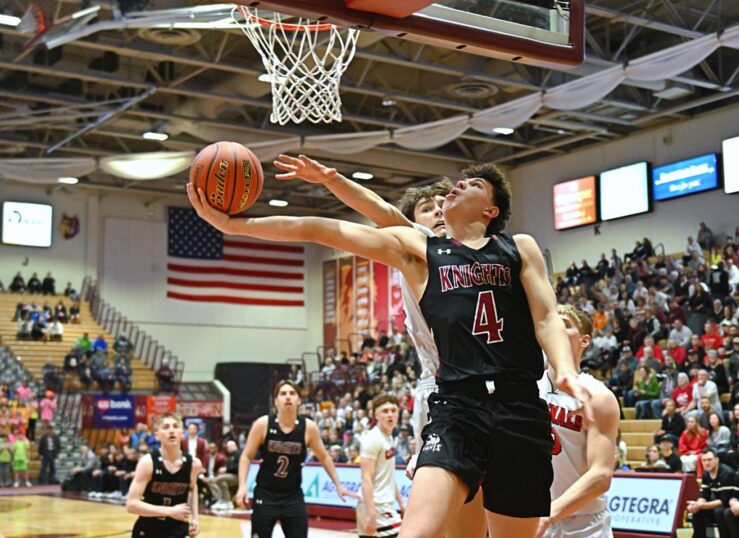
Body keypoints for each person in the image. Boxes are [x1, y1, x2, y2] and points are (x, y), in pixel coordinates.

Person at [191, 161, 592, 538]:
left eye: (473, 184)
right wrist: (235, 226)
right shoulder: (421, 249)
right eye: (442, 195)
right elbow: (319, 228)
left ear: (491, 209)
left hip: (518, 404)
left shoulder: (518, 247)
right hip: (455, 402)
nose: (457, 187)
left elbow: (545, 318)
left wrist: (564, 371)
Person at [275, 154, 487, 537]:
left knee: (483, 520)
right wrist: (333, 181)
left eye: (443, 204)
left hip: (497, 393)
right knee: (442, 525)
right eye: (426, 208)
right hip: (447, 395)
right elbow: (384, 211)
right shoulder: (418, 247)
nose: (438, 211)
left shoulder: (486, 253)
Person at [537, 304, 619, 538]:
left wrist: (550, 514)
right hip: (533, 516)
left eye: (564, 324)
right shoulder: (526, 388)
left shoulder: (598, 396)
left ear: (584, 341)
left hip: (584, 525)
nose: (556, 331)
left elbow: (601, 476)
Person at [235, 380, 356, 538]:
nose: (288, 397)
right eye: (283, 394)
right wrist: (242, 485)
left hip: (292, 496)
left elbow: (324, 457)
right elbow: (246, 456)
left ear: (299, 400)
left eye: (292, 394)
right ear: (276, 401)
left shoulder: (309, 427)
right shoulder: (263, 424)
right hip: (266, 495)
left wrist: (338, 484)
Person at [126, 412, 202, 538]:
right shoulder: (148, 462)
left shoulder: (194, 464)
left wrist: (195, 518)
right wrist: (170, 511)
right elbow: (132, 505)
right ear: (157, 435)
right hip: (148, 530)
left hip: (177, 530)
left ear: (182, 433)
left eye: (176, 426)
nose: (171, 431)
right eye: (166, 427)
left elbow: (193, 488)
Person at [358, 394, 407, 538]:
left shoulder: (389, 437)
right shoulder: (372, 439)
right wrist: (371, 512)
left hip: (381, 504)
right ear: (375, 415)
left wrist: (401, 502)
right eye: (385, 411)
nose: (390, 415)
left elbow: (389, 476)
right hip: (376, 505)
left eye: (393, 410)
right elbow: (366, 477)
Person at [687, 449, 735, 538]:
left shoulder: (727, 473)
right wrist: (697, 505)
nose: (706, 463)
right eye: (704, 460)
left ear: (717, 460)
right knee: (698, 511)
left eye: (709, 460)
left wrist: (700, 505)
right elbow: (704, 495)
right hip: (717, 505)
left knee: (719, 511)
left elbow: (723, 501)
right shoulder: (706, 474)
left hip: (730, 506)